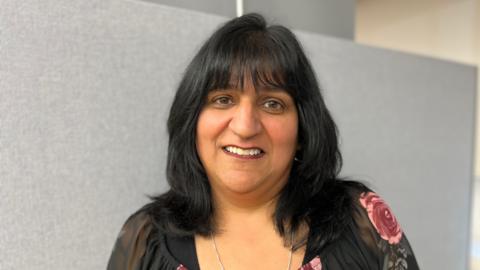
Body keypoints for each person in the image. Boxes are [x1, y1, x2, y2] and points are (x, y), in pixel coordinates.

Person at [107, 13, 419, 270]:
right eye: (223, 99)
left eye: (272, 103)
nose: (244, 127)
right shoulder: (144, 239)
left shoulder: (362, 220)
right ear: (192, 120)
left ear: (302, 130)